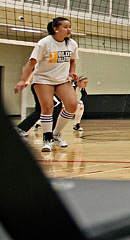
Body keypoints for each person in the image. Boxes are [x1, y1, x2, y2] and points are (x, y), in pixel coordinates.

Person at [14, 17, 80, 153]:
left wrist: (72, 72)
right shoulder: (44, 43)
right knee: (47, 107)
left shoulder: (72, 44)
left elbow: (72, 60)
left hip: (61, 79)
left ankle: (56, 134)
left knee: (72, 105)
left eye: (70, 27)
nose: (69, 29)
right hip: (43, 79)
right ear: (55, 29)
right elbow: (31, 63)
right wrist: (22, 80)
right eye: (65, 27)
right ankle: (47, 139)